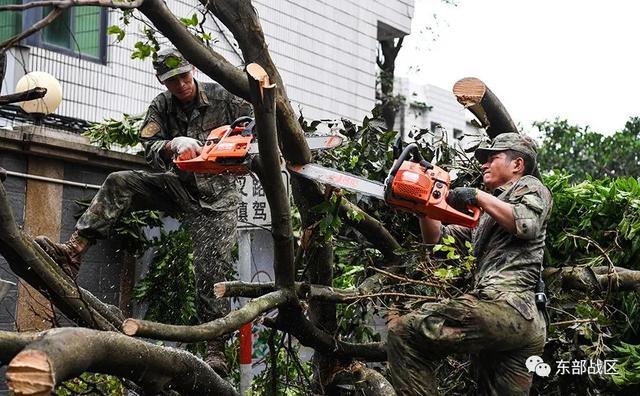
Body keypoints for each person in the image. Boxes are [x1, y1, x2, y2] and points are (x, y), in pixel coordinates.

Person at [35, 48, 252, 375]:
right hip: (179, 185)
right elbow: (148, 144)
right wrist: (172, 144)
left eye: (183, 76)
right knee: (119, 181)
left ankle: (214, 346)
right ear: (161, 81)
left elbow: (255, 122)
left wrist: (236, 146)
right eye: (172, 81)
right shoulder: (161, 106)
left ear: (191, 68)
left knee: (211, 267)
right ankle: (74, 252)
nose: (180, 85)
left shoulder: (224, 98)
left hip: (218, 197)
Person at [387, 133, 552, 395]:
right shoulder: (486, 219)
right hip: (520, 322)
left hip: (509, 306)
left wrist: (476, 195)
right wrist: (424, 204)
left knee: (403, 332)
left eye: (492, 158)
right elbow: (437, 243)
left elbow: (526, 224)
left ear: (517, 165)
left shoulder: (530, 186)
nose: (484, 164)